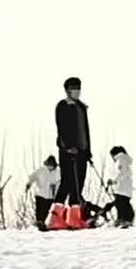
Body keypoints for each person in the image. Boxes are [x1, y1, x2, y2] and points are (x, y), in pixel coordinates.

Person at [54, 77, 93, 212]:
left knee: (79, 183)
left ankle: (74, 214)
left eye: (78, 88)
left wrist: (88, 150)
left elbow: (85, 131)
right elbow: (62, 128)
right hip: (69, 150)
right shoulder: (63, 105)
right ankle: (56, 212)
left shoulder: (82, 107)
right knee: (68, 181)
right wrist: (68, 146)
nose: (76, 91)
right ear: (67, 90)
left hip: (82, 151)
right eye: (73, 88)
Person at [105, 145, 135, 227]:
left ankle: (125, 220)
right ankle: (123, 219)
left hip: (122, 188)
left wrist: (113, 181)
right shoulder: (124, 159)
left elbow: (121, 173)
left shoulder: (120, 160)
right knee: (122, 203)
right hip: (126, 187)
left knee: (120, 204)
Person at [29, 155, 60, 230]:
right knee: (40, 211)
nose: (50, 166)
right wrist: (29, 184)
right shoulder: (41, 170)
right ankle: (40, 224)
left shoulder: (58, 172)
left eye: (52, 165)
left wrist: (56, 187)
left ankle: (47, 224)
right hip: (40, 194)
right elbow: (32, 177)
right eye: (49, 165)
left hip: (51, 196)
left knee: (48, 211)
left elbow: (59, 182)